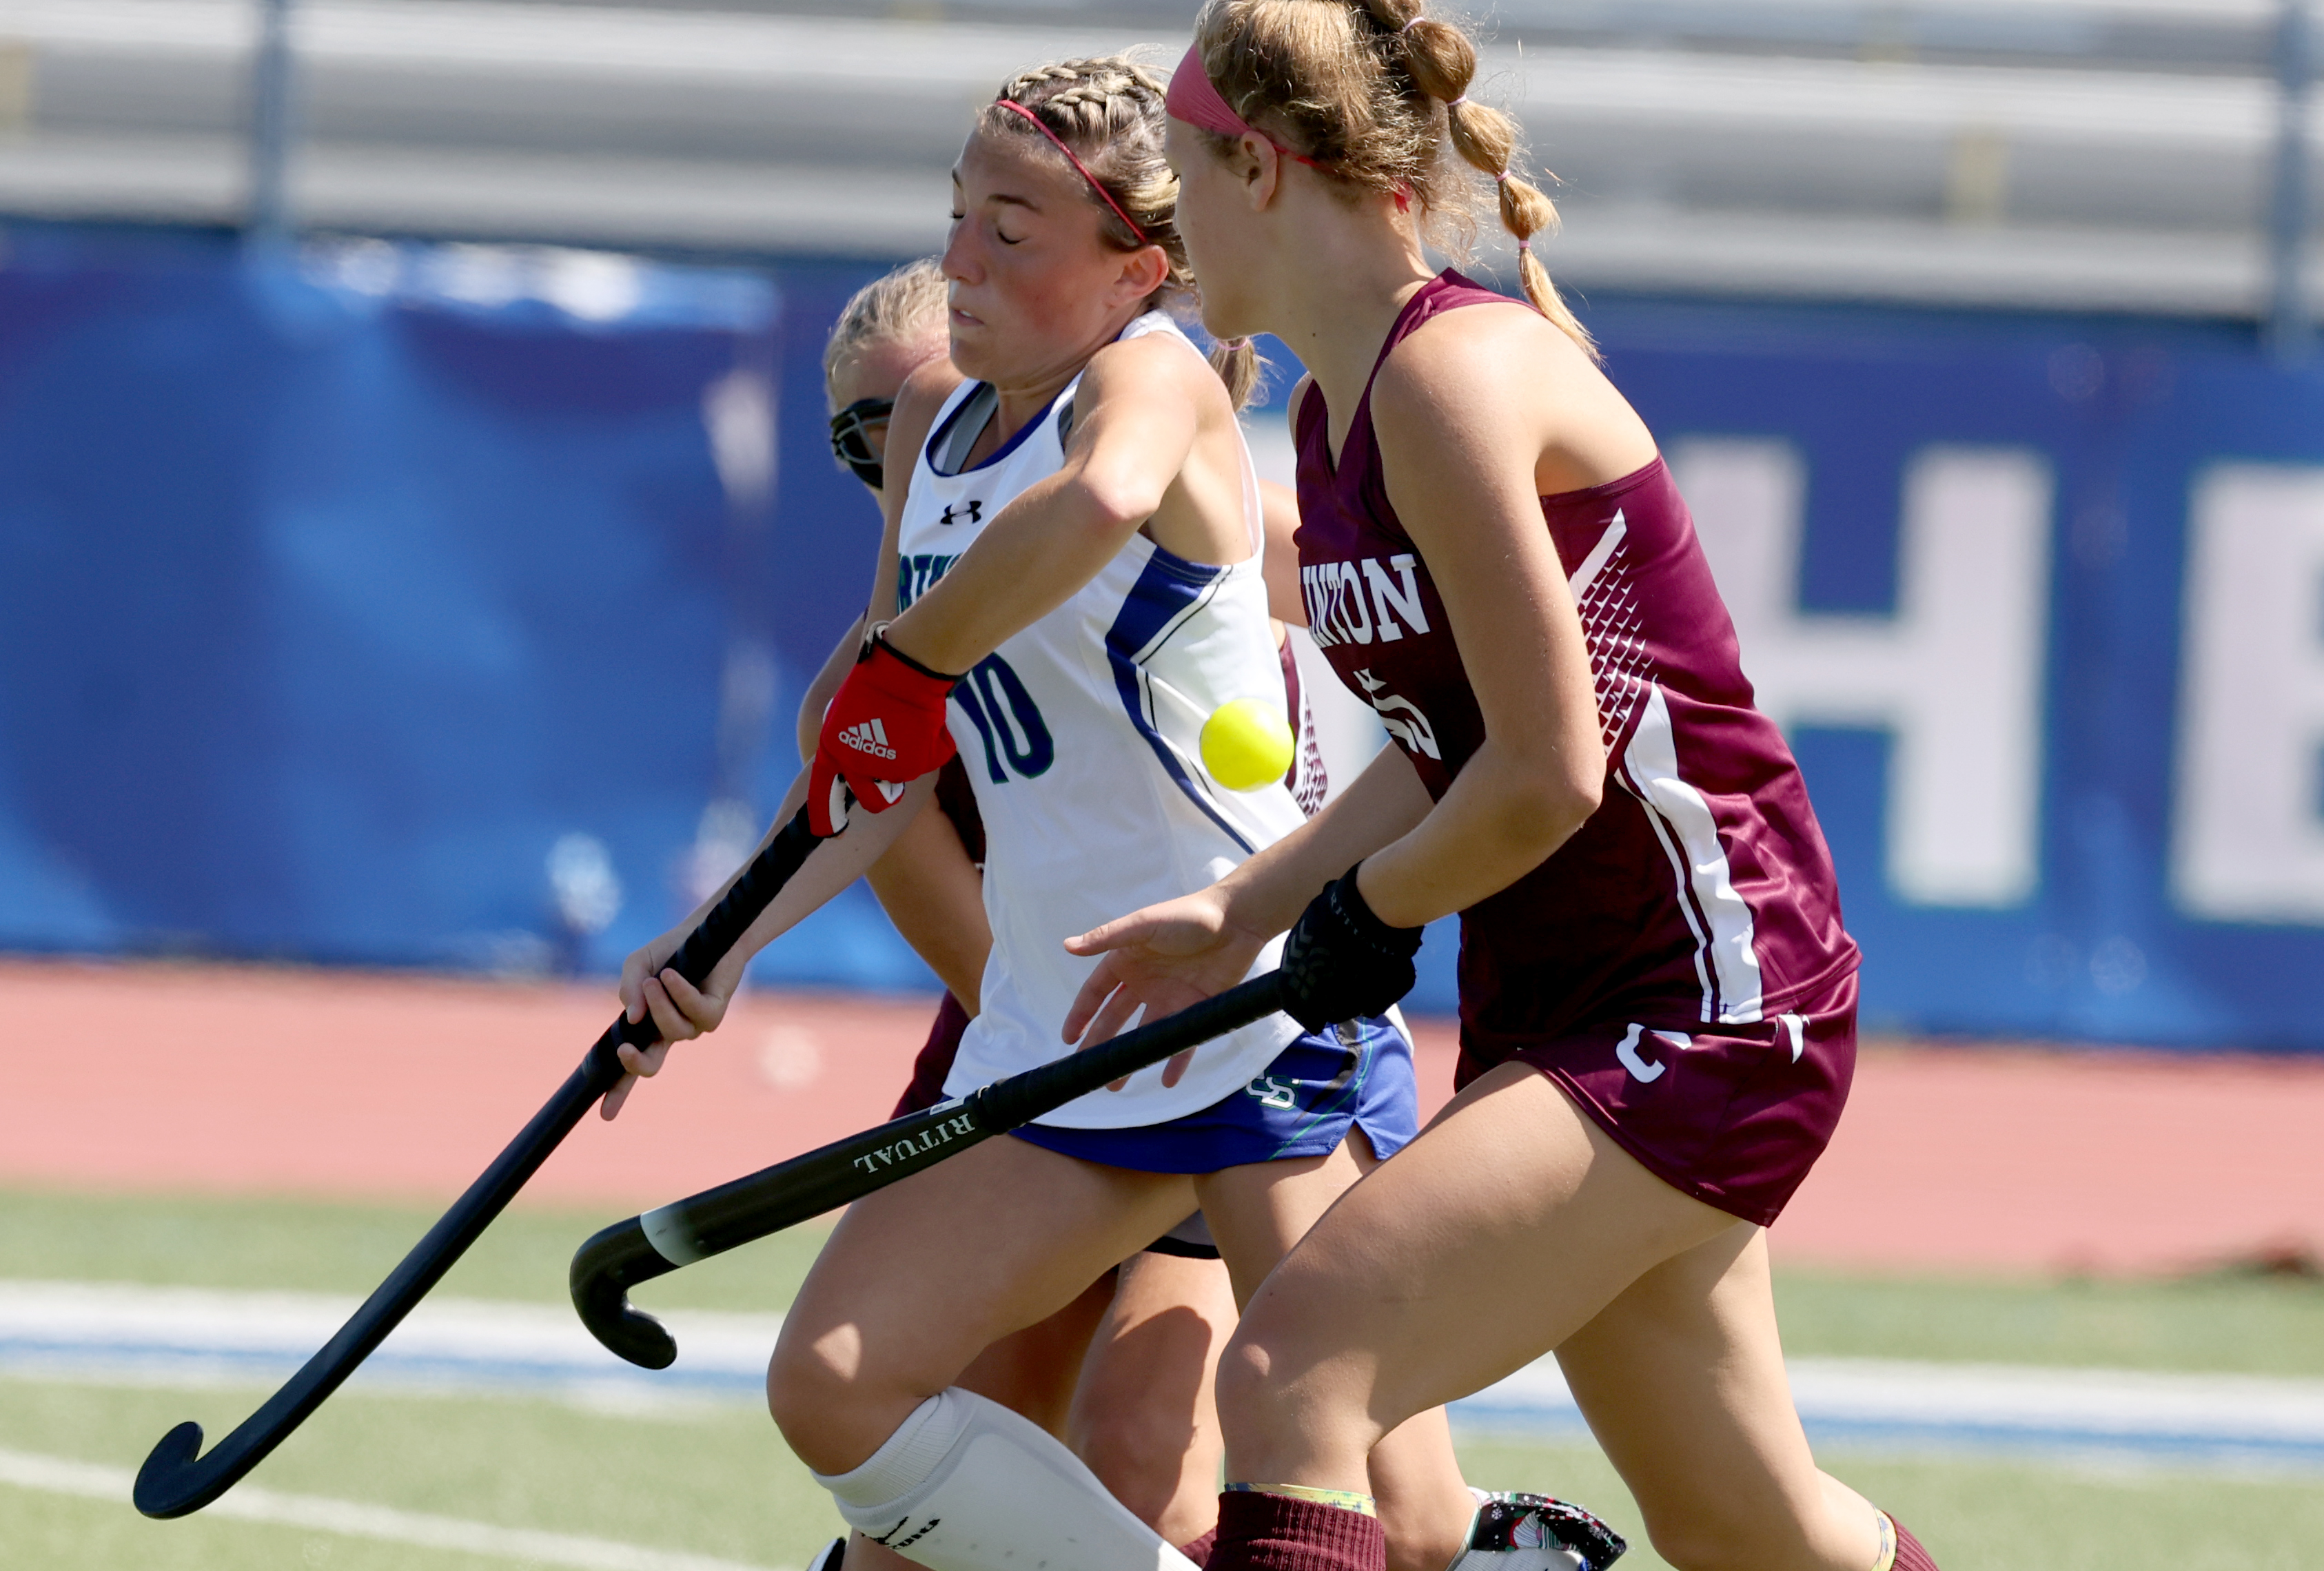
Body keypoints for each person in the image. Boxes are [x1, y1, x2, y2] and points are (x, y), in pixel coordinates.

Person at [604, 54, 1618, 1571]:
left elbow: (1092, 507)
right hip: (1065, 1025)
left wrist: (907, 660)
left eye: (1010, 233)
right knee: (833, 1387)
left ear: (1136, 267)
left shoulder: (1151, 374)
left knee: (1388, 1508)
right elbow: (879, 769)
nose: (958, 264)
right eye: (956, 217)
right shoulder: (931, 434)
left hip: (1245, 999)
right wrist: (718, 948)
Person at [1061, 8, 1944, 1571]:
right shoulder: (1338, 414)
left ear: (1257, 169)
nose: (1171, 222)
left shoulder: (1448, 381)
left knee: (1294, 1374)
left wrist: (1362, 911)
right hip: (1575, 998)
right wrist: (1254, 907)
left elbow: (1546, 774)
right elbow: (1447, 739)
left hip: (1709, 999)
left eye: (1183, 177)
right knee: (1746, 1528)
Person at [804, 255, 1240, 1570]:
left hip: (1233, 1025)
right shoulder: (904, 633)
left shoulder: (1211, 537)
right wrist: (708, 960)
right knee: (930, 1510)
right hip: (1045, 1028)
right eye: (861, 438)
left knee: (1160, 1466)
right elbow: (883, 834)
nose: (905, 463)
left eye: (926, 414)